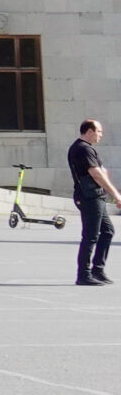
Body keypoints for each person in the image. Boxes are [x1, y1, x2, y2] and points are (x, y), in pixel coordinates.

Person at [70, 119, 118, 287]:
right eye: (99, 131)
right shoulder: (82, 149)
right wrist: (116, 195)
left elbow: (101, 172)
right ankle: (83, 274)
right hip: (89, 197)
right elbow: (96, 174)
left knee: (108, 231)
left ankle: (97, 269)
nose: (101, 135)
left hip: (95, 196)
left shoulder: (87, 149)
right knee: (90, 235)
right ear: (89, 131)